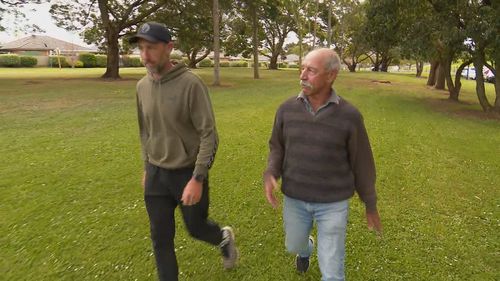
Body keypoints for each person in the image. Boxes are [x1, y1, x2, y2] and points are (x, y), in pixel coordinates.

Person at [130, 22, 238, 281]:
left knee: (196, 228)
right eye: (141, 48)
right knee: (160, 237)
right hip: (156, 174)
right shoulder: (141, 86)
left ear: (169, 48)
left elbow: (209, 135)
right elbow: (145, 131)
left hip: (187, 174)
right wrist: (147, 167)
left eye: (151, 48)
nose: (145, 55)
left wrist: (197, 178)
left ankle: (223, 238)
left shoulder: (191, 84)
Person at [263, 48, 382, 281]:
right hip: (295, 197)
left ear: (331, 75)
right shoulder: (286, 109)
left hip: (333, 203)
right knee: (293, 245)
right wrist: (271, 172)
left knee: (332, 270)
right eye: (303, 68)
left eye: (311, 70)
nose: (303, 75)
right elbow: (277, 146)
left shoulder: (349, 116)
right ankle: (305, 248)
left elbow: (362, 162)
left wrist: (370, 203)